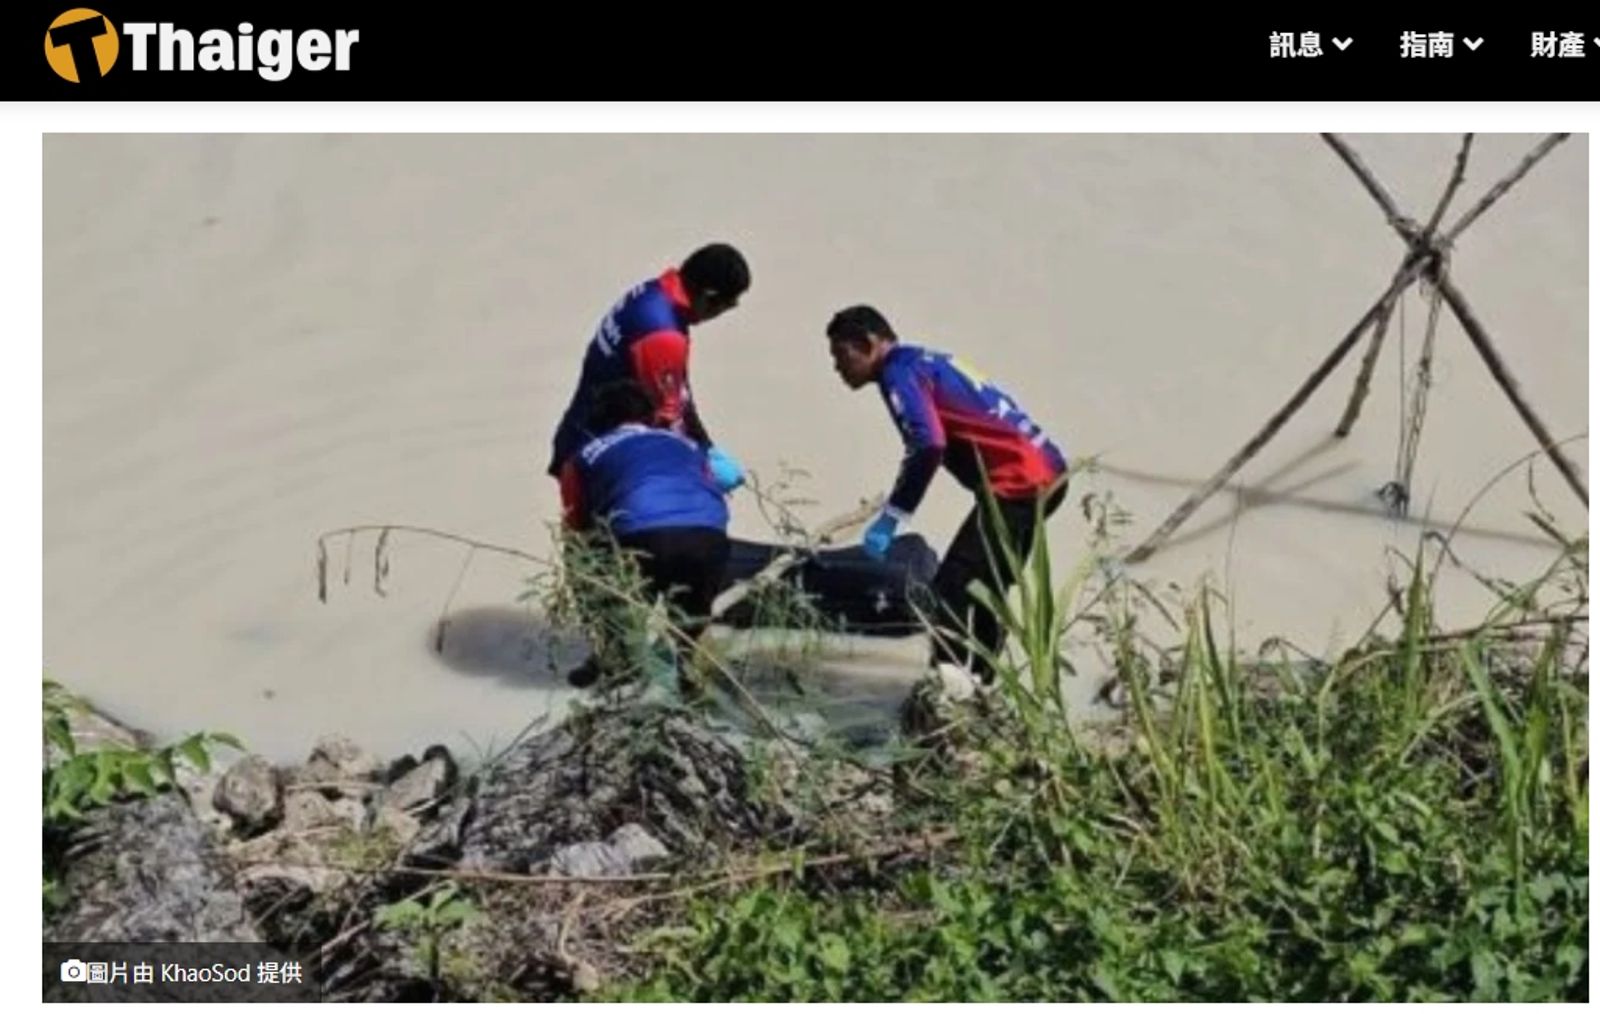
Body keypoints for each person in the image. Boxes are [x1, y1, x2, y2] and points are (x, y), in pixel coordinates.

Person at [824, 304, 1069, 686]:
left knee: (953, 588)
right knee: (986, 587)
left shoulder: (897, 373)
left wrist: (895, 515)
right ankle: (982, 682)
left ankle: (947, 688)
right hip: (1048, 474)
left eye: (842, 356)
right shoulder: (927, 360)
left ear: (868, 343)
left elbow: (928, 444)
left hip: (1018, 483)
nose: (838, 368)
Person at [557, 378, 733, 689]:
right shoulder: (687, 444)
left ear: (599, 422)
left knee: (593, 568)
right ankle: (689, 677)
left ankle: (616, 658)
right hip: (710, 538)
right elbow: (719, 481)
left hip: (642, 538)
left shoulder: (583, 457)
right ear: (651, 417)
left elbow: (577, 528)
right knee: (691, 618)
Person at [548, 243, 752, 495]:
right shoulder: (663, 334)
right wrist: (704, 466)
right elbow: (668, 421)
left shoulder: (653, 295)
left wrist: (706, 446)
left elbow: (677, 392)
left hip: (585, 438)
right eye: (728, 305)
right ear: (709, 296)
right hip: (599, 462)